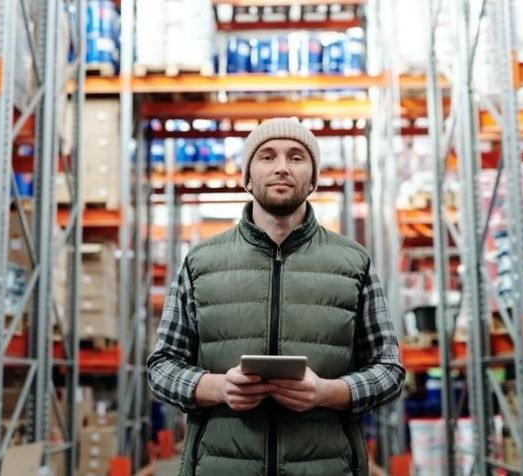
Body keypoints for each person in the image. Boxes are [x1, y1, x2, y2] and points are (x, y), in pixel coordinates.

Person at [147, 118, 405, 476]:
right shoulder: (200, 263)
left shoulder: (353, 263)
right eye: (267, 156)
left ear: (313, 179)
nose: (282, 167)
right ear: (247, 177)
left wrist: (327, 392)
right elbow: (161, 368)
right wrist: (219, 388)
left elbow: (389, 370)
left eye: (296, 157)